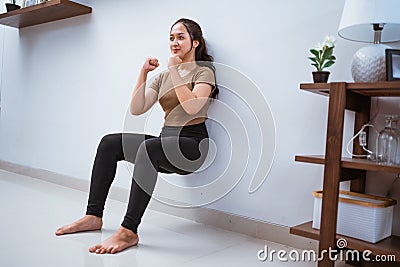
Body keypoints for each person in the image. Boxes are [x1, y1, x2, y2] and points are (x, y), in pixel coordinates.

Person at [55, 18, 218, 254]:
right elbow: (137, 107)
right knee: (110, 143)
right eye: (171, 37)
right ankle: (93, 216)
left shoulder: (204, 71)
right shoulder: (163, 77)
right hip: (165, 141)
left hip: (192, 146)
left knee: (149, 148)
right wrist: (143, 73)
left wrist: (175, 72)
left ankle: (129, 231)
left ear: (195, 43)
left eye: (181, 37)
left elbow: (193, 107)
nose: (174, 42)